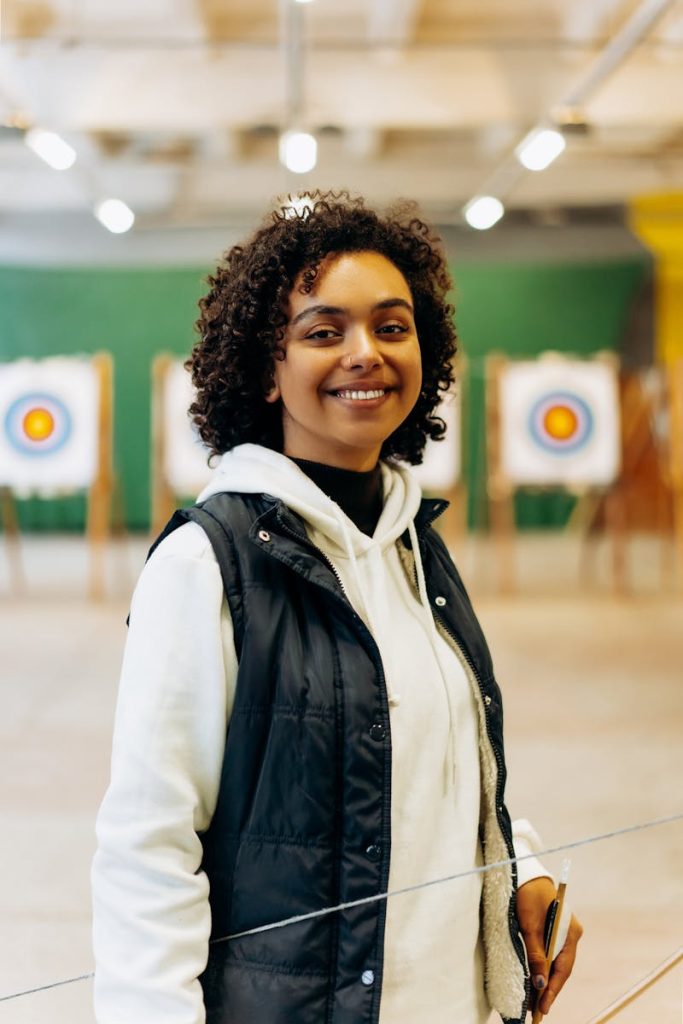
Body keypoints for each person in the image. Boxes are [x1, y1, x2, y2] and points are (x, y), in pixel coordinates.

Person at [92, 191, 582, 1024]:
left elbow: (427, 756)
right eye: (324, 332)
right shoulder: (206, 565)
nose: (366, 353)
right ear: (265, 367)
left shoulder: (413, 546)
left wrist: (516, 864)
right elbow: (150, 851)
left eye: (392, 327)